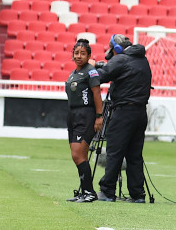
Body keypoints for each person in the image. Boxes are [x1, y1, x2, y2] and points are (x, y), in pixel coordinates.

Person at [93, 34, 152, 203]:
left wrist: (92, 67)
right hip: (140, 113)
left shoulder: (122, 59)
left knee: (115, 152)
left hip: (124, 112)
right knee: (134, 155)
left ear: (116, 48)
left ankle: (107, 191)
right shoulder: (142, 60)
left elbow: (100, 77)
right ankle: (137, 194)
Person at [64, 38, 103, 203]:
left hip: (85, 115)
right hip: (72, 115)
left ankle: (89, 192)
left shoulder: (90, 71)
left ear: (89, 56)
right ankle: (84, 191)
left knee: (78, 154)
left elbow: (97, 94)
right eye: (76, 53)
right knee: (77, 155)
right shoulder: (73, 73)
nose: (79, 56)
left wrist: (99, 116)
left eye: (83, 53)